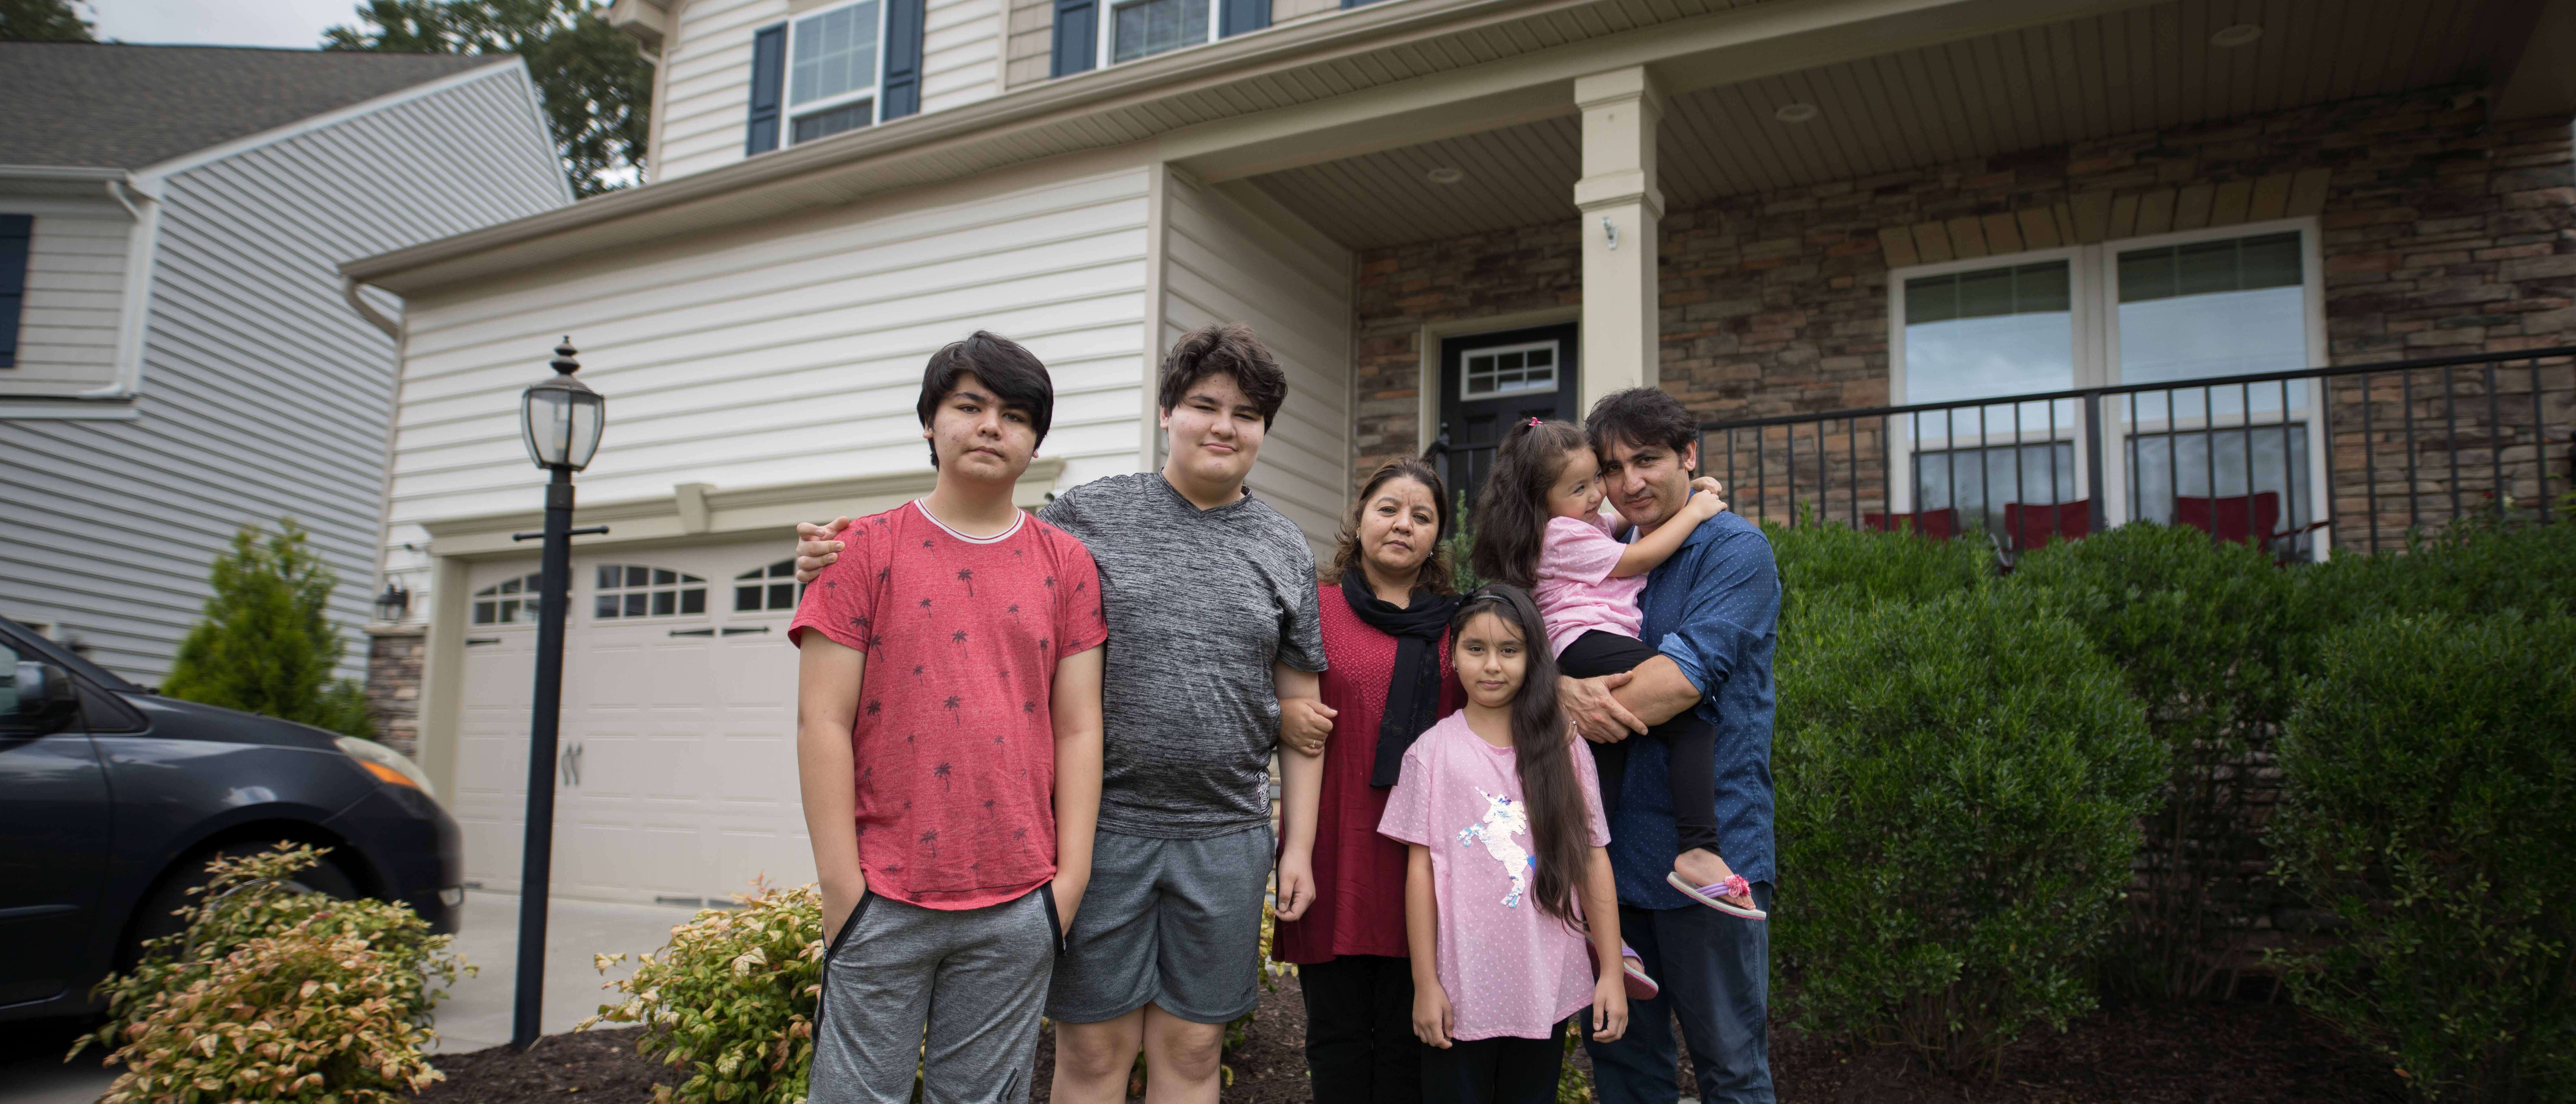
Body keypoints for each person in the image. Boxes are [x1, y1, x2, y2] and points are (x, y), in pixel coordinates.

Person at [796, 322, 1327, 1104]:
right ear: (1167, 413)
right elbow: (964, 568)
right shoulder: (1087, 516)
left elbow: (1300, 704)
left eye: (1246, 414)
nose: (1224, 425)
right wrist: (824, 560)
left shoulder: (1278, 545)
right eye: (1204, 405)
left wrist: (1296, 837)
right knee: (1091, 1048)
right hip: (1104, 829)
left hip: (1213, 835)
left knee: (1191, 1047)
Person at [789, 332, 1108, 1104]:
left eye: (1016, 414)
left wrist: (1067, 884)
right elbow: (820, 721)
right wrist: (842, 887)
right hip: (882, 895)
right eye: (970, 405)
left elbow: (1079, 727)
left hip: (1018, 900)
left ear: (1036, 442)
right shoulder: (859, 549)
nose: (992, 425)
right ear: (930, 421)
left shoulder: (1068, 564)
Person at [1556, 389, 1781, 1104]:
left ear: (1688, 456)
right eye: (1612, 468)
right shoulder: (1601, 546)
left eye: (1646, 460)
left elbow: (1680, 682)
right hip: (1610, 858)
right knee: (1625, 1070)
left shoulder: (1735, 551)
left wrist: (1555, 704)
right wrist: (1555, 692)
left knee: (1731, 1069)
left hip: (1709, 857)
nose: (1628, 483)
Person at [1467, 418, 1760, 920]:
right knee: (1693, 718)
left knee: (1603, 759)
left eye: (1595, 480)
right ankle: (1698, 848)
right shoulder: (1560, 534)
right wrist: (1697, 509)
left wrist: (1687, 489)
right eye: (1579, 488)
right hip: (1586, 639)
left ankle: (1581, 890)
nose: (1597, 495)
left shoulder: (1579, 525)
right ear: (1541, 501)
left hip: (1580, 645)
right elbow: (1640, 554)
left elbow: (1625, 526)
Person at [1379, 585, 1629, 1104]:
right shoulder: (1430, 753)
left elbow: (1592, 857)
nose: (1492, 665)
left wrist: (1611, 970)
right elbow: (1419, 873)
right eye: (1476, 648)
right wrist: (1425, 984)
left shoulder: (1565, 748)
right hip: (1459, 988)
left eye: (1509, 649)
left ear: (1532, 657)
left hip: (1543, 983)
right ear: (1452, 654)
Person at [1270, 456, 1458, 1104]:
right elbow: (1263, 700)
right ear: (1360, 518)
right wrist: (1280, 711)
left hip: (1423, 854)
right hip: (1335, 843)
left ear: (1436, 536)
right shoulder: (1314, 609)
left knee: (1412, 1040)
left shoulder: (1461, 626)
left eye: (1422, 515)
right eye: (1388, 509)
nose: (1403, 524)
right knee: (1338, 1036)